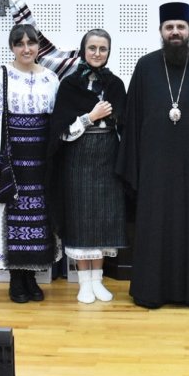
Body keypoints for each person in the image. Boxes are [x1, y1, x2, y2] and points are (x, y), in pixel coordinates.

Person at [117, 2, 189, 309]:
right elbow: (132, 120)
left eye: (180, 26)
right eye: (169, 27)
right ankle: (149, 292)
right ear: (161, 32)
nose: (175, 32)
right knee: (153, 227)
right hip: (153, 169)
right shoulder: (145, 66)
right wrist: (135, 167)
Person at [0, 24, 61, 303]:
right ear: (12, 47)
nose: (26, 48)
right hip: (12, 158)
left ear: (39, 46)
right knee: (12, 216)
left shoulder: (50, 78)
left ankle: (32, 278)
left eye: (31, 43)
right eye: (19, 43)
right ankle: (16, 280)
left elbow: (56, 120)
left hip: (41, 159)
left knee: (39, 218)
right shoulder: (0, 76)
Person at [48, 29, 128, 304]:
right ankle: (84, 282)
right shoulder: (70, 85)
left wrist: (112, 119)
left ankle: (98, 280)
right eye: (92, 48)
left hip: (107, 156)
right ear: (83, 50)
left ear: (108, 52)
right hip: (78, 157)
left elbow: (123, 123)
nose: (97, 53)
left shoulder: (116, 84)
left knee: (104, 218)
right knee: (82, 217)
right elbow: (60, 130)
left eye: (102, 49)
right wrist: (90, 117)